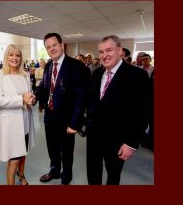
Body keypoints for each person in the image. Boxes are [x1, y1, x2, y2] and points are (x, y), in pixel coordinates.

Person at [86, 35, 148, 185]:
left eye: (109, 50)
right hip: (94, 136)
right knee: (93, 174)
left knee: (113, 177)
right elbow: (93, 103)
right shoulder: (96, 74)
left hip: (118, 140)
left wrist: (131, 143)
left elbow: (143, 112)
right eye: (101, 52)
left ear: (120, 50)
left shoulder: (137, 76)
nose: (104, 55)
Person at [35, 33, 89, 185]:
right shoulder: (48, 66)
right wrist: (35, 96)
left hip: (67, 120)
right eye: (48, 47)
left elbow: (81, 96)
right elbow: (44, 88)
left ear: (61, 44)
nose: (52, 49)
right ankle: (54, 171)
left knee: (66, 150)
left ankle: (66, 175)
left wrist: (74, 123)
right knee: (52, 147)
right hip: (50, 116)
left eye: (54, 45)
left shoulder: (76, 66)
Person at [0, 44, 35, 185]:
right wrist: (21, 99)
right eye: (11, 55)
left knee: (23, 152)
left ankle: (21, 175)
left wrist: (31, 99)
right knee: (14, 157)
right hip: (11, 123)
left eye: (18, 55)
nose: (15, 58)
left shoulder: (25, 74)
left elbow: (29, 94)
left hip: (26, 119)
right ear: (6, 57)